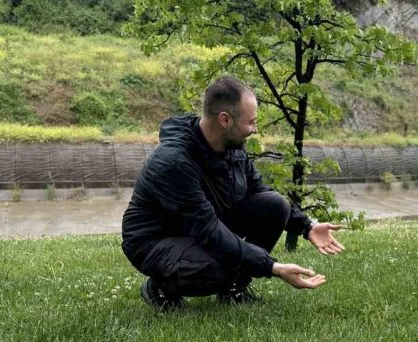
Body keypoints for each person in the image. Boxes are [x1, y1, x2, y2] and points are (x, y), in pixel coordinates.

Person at [121, 76, 345, 309]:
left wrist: (306, 227)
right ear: (225, 120)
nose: (254, 129)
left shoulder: (230, 147)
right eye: (250, 122)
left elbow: (260, 190)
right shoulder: (174, 162)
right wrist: (271, 267)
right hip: (155, 240)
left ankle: (233, 288)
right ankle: (160, 288)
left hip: (202, 225)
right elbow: (208, 230)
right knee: (217, 268)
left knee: (275, 205)